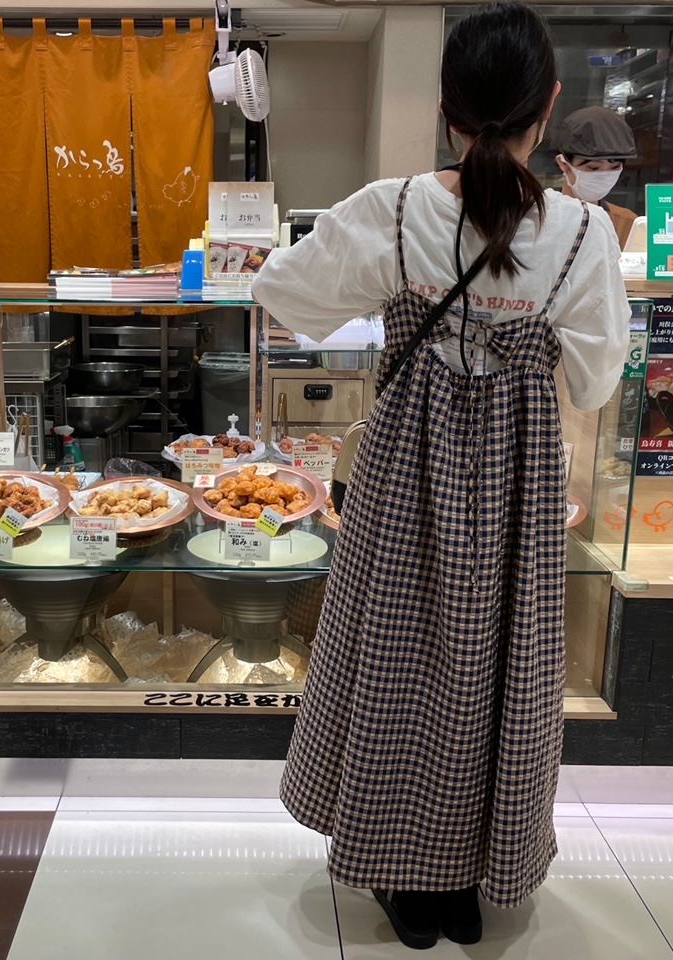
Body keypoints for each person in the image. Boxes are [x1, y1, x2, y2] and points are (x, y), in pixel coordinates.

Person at [252, 2, 629, 950]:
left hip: (403, 476)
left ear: (447, 109)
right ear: (547, 106)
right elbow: (594, 378)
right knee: (501, 671)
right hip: (518, 494)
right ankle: (477, 870)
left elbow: (283, 296)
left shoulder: (396, 207)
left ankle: (403, 876)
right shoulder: (585, 234)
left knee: (395, 660)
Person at [555, 105, 639, 247]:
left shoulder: (627, 224)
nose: (604, 175)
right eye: (593, 168)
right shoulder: (537, 221)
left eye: (614, 167)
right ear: (563, 164)